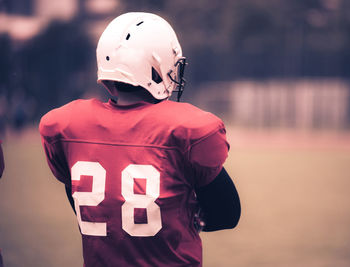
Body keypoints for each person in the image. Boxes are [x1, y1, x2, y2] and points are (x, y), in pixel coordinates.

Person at [39, 12, 240, 266]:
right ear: (158, 68)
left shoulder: (67, 127)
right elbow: (227, 214)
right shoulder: (186, 129)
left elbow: (84, 206)